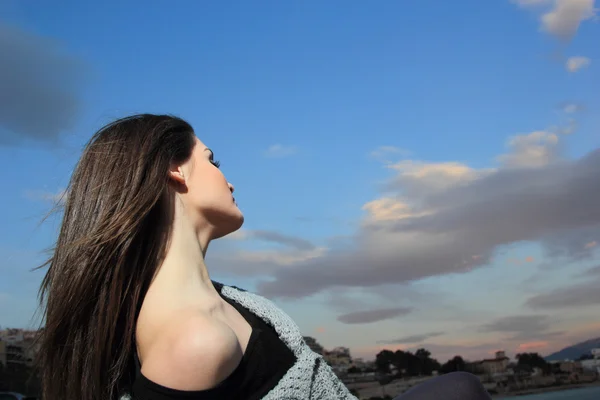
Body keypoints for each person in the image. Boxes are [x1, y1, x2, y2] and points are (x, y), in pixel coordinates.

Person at [36, 114, 491, 400]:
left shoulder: (217, 300)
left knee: (460, 386)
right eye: (213, 160)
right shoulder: (194, 340)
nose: (228, 180)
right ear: (175, 171)